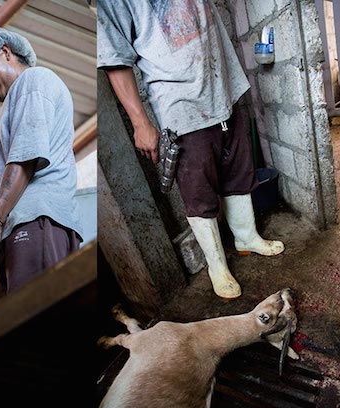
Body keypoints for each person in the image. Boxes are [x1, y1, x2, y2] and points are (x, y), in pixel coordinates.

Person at [97, 0, 284, 299]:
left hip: (224, 86)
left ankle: (246, 237)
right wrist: (140, 122)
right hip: (180, 103)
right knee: (198, 189)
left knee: (238, 170)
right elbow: (114, 57)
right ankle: (216, 266)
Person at [0, 28, 83, 294]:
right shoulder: (11, 104)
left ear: (5, 52)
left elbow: (26, 158)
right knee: (19, 324)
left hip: (36, 219)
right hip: (16, 224)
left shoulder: (33, 81)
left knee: (37, 317)